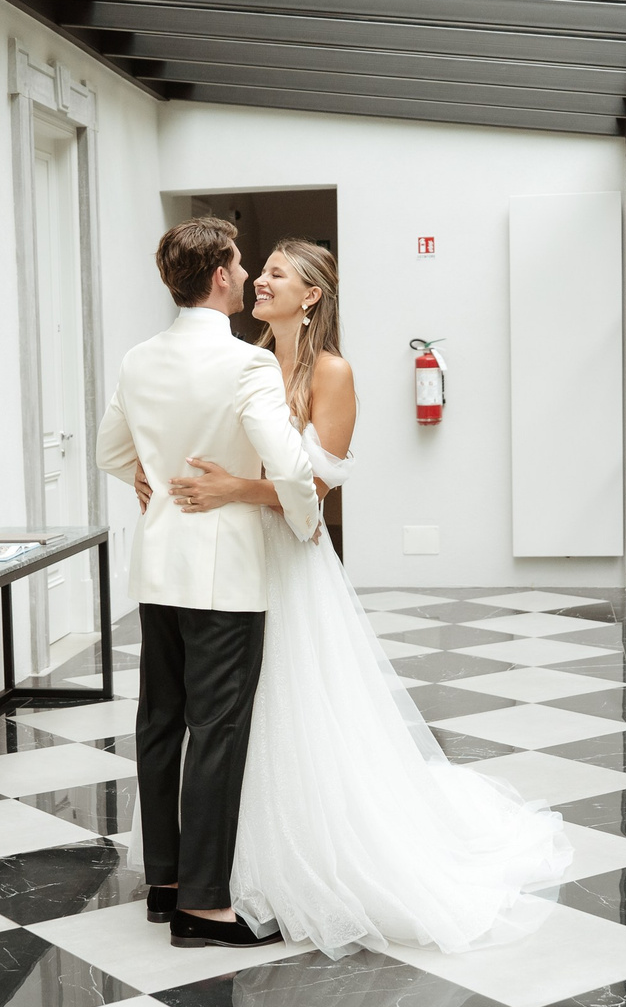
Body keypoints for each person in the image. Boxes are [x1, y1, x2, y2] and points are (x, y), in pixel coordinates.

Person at [159, 240, 574, 956]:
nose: (260, 280)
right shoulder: (247, 358)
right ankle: (222, 861)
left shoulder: (332, 371)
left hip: (291, 558)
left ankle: (300, 859)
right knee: (232, 714)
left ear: (310, 295)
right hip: (235, 557)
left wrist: (237, 488)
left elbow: (317, 485)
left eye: (277, 275)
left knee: (294, 705)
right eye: (259, 271)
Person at [95, 218, 319, 949]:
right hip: (225, 577)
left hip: (157, 567)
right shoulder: (245, 366)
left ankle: (162, 881)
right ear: (220, 276)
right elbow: (287, 466)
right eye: (240, 261)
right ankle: (205, 904)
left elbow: (109, 450)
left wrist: (148, 472)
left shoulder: (138, 358)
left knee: (160, 722)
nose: (247, 269)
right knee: (216, 732)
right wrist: (306, 517)